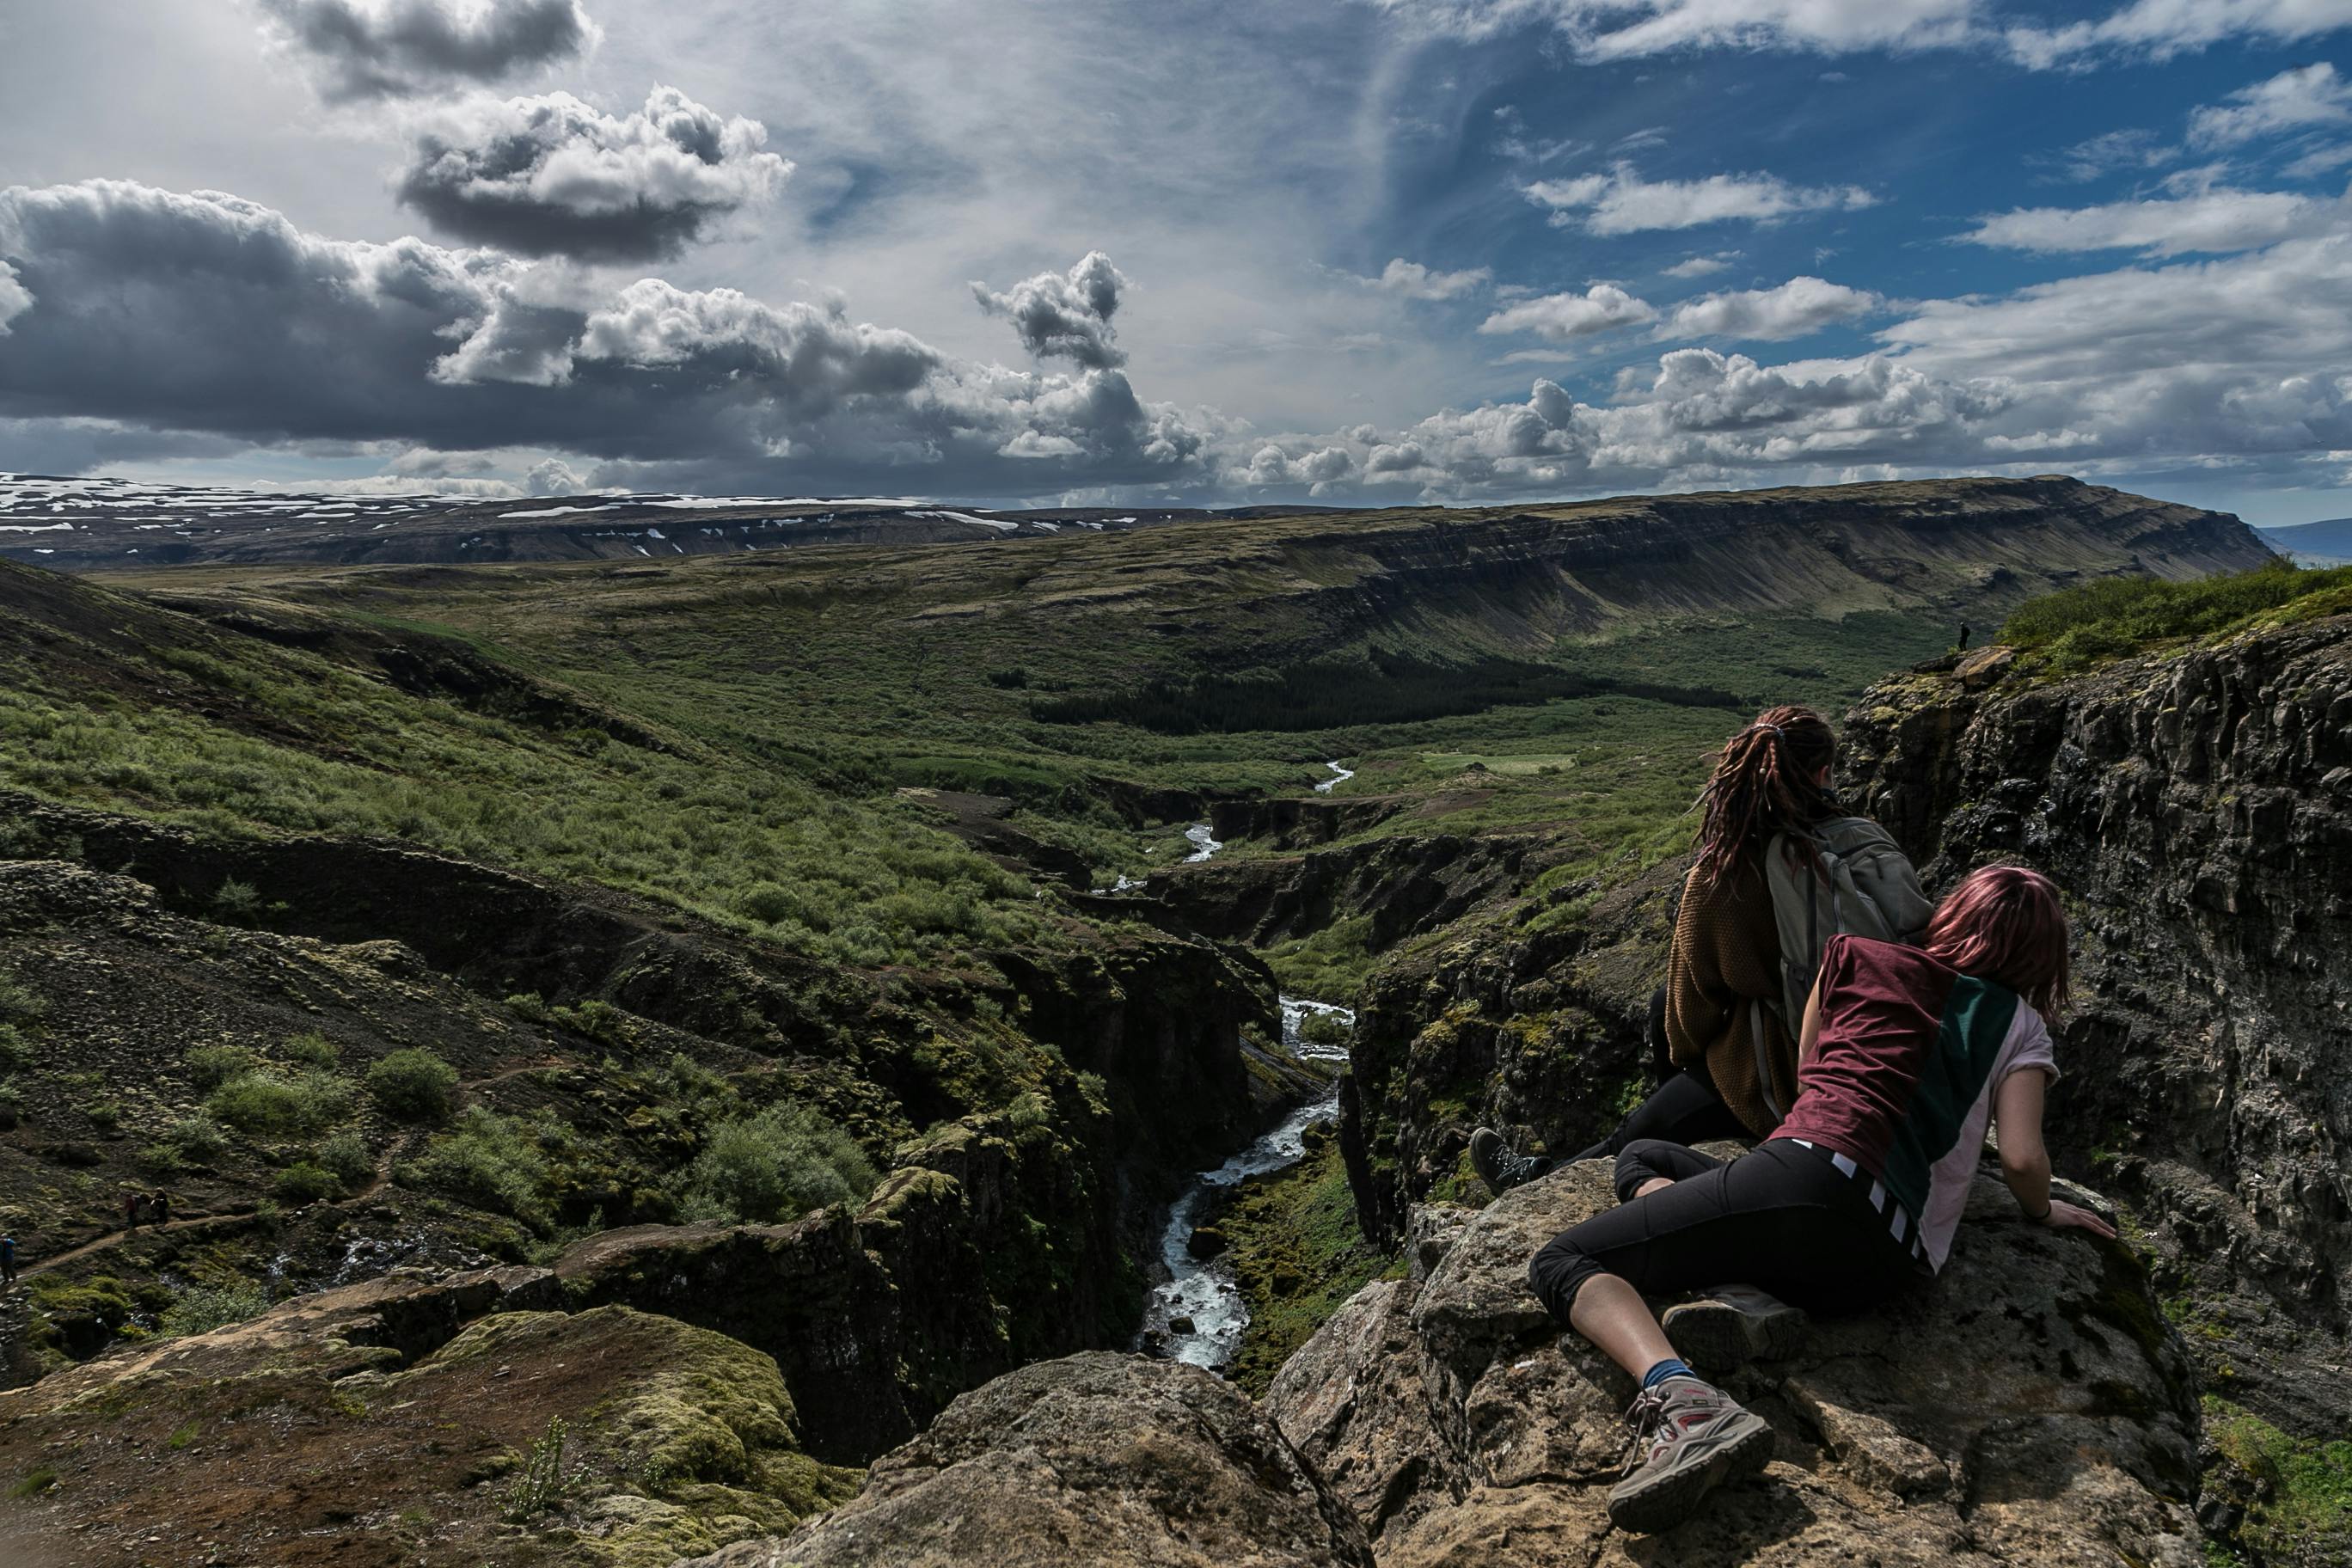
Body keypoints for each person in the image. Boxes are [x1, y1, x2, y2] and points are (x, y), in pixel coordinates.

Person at [1522, 865, 2115, 1534]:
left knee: (1562, 1261)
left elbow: (1810, 1075)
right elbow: (2023, 1158)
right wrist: (2041, 1211)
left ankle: (1687, 1401)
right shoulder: (2021, 1024)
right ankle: (1748, 1299)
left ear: (1953, 915)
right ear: (2042, 958)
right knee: (1646, 1156)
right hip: (1886, 1264)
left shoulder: (1854, 956)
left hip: (1805, 1180)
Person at [1473, 705, 1913, 1193]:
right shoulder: (1868, 840)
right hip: (1891, 1057)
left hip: (1793, 1074)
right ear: (1825, 772)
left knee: (1641, 1124)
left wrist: (1696, 1066)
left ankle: (1532, 1182)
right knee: (1662, 1005)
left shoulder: (1728, 870)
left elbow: (1691, 1014)